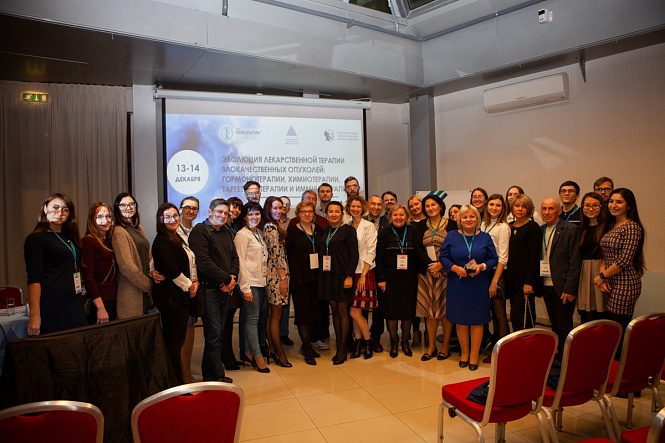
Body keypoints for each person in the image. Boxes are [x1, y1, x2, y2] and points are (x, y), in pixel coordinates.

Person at [441, 205, 498, 371]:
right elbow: (443, 257)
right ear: (460, 219)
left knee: (477, 320)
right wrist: (454, 268)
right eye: (465, 217)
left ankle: (474, 355)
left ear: (477, 219)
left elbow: (493, 259)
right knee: (461, 319)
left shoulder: (485, 237)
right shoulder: (451, 235)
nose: (468, 220)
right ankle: (464, 353)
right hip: (457, 283)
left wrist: (482, 266)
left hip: (478, 284)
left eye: (472, 217)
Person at [189, 198, 238, 383]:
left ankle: (209, 373)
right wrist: (226, 279)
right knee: (214, 334)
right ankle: (216, 376)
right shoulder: (200, 231)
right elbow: (204, 263)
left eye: (225, 213)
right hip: (209, 290)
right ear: (209, 212)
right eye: (219, 212)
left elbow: (234, 257)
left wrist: (232, 277)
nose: (222, 216)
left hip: (224, 289)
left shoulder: (226, 231)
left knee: (217, 334)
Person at [24, 193, 87, 335]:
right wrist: (35, 314)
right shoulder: (37, 238)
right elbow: (33, 279)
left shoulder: (68, 237)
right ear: (45, 208)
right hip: (52, 306)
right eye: (55, 207)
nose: (60, 213)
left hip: (74, 303)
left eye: (65, 209)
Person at [595, 188, 645, 358]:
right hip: (609, 282)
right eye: (611, 201)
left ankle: (619, 366)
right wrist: (603, 279)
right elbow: (603, 255)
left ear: (629, 205)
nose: (613, 205)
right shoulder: (611, 226)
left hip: (625, 284)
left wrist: (601, 277)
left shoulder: (632, 227)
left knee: (618, 330)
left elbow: (624, 260)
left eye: (619, 202)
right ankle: (610, 365)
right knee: (610, 330)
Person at [152, 203, 198, 384]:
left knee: (178, 340)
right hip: (171, 298)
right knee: (174, 343)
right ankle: (176, 384)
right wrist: (189, 285)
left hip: (179, 296)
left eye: (175, 216)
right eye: (168, 217)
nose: (173, 220)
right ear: (161, 220)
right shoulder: (162, 240)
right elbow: (171, 269)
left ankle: (179, 380)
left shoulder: (176, 237)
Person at [413, 194, 456, 361]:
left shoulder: (451, 225)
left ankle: (445, 346)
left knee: (445, 310)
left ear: (440, 206)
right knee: (429, 311)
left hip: (447, 273)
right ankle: (431, 347)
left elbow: (455, 248)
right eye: (427, 206)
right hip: (427, 273)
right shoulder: (421, 225)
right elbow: (417, 247)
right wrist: (431, 266)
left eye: (433, 205)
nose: (430, 208)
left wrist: (441, 265)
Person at [539, 197, 582, 359]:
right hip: (545, 284)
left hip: (563, 287)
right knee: (554, 324)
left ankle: (567, 359)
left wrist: (570, 288)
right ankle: (559, 356)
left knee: (564, 325)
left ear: (559, 211)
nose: (547, 212)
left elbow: (575, 261)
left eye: (551, 209)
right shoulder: (540, 230)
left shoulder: (570, 229)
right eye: (544, 208)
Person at [375, 204, 419, 358]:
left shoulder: (413, 232)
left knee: (407, 312)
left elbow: (418, 254)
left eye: (401, 215)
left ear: (407, 217)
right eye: (395, 215)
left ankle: (405, 342)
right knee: (391, 312)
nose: (398, 217)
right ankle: (394, 342)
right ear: (390, 217)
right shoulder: (385, 233)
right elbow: (379, 257)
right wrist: (381, 278)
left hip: (410, 278)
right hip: (390, 278)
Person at [318, 201, 359, 364]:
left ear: (342, 214)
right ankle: (339, 343)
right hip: (328, 276)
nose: (333, 214)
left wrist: (349, 276)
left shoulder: (348, 230)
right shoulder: (326, 230)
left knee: (342, 311)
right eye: (330, 211)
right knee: (334, 311)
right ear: (326, 214)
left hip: (343, 277)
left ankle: (343, 349)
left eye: (336, 211)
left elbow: (354, 254)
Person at [286, 200, 325, 365]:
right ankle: (307, 349)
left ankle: (307, 344)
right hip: (300, 279)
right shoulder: (292, 231)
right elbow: (287, 254)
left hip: (316, 279)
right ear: (298, 214)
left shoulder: (319, 230)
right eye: (303, 212)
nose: (307, 214)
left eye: (310, 211)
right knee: (303, 315)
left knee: (314, 313)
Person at [235, 202, 271, 373]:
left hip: (260, 282)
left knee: (257, 318)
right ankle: (257, 357)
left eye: (257, 214)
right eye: (250, 214)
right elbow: (240, 263)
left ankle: (249, 353)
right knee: (252, 320)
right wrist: (245, 288)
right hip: (250, 284)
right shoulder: (242, 235)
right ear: (244, 216)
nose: (254, 217)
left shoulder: (258, 233)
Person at [346, 196, 378, 360]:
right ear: (349, 208)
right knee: (354, 310)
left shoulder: (369, 226)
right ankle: (358, 344)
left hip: (364, 272)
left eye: (358, 206)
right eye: (353, 206)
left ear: (363, 208)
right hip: (351, 273)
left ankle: (368, 341)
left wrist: (363, 275)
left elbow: (371, 252)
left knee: (355, 311)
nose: (355, 209)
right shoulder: (347, 226)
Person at [480, 194, 510, 362]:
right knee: (490, 312)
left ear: (503, 208)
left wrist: (494, 282)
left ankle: (502, 353)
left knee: (499, 314)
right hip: (484, 271)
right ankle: (494, 346)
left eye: (498, 205)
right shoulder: (483, 225)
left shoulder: (503, 227)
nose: (494, 208)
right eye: (491, 204)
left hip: (497, 274)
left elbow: (503, 258)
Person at [112, 193, 152, 319]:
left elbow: (149, 256)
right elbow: (126, 267)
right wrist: (148, 285)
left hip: (145, 290)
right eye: (123, 205)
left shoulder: (138, 228)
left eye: (131, 204)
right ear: (117, 208)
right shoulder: (118, 231)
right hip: (131, 290)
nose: (128, 208)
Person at [263, 197, 292, 367]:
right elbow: (276, 255)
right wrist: (282, 279)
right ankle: (280, 353)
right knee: (276, 316)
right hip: (276, 276)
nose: (278, 211)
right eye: (275, 208)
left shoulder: (272, 226)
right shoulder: (271, 228)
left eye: (280, 208)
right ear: (268, 209)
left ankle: (272, 349)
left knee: (271, 315)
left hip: (275, 274)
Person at [506, 194, 541, 332]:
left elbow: (534, 256)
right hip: (512, 278)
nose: (520, 209)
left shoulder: (532, 227)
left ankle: (528, 343)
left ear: (529, 209)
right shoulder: (509, 227)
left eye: (524, 206)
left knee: (522, 316)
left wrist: (528, 282)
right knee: (514, 315)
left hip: (525, 278)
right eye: (517, 206)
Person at [81, 202, 118, 325]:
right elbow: (88, 277)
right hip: (99, 301)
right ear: (92, 219)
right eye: (100, 216)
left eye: (108, 216)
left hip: (112, 299)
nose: (105, 220)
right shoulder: (88, 241)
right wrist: (100, 307)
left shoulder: (109, 241)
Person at [177, 196, 200, 383]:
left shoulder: (197, 231)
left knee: (191, 325)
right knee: (182, 329)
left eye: (194, 208)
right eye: (187, 207)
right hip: (179, 286)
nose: (191, 211)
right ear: (180, 209)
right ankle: (182, 373)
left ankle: (187, 369)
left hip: (195, 285)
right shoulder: (173, 230)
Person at [577, 192, 608, 323]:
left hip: (601, 271)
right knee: (585, 313)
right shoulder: (580, 228)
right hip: (584, 273)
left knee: (601, 312)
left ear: (601, 207)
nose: (591, 209)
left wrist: (604, 275)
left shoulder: (608, 228)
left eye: (595, 205)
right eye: (587, 205)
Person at [407, 194, 426, 346]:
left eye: (416, 204)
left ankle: (429, 332)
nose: (414, 208)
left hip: (430, 265)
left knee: (428, 300)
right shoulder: (409, 225)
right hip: (413, 266)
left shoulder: (430, 222)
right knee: (414, 301)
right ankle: (416, 331)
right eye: (411, 206)